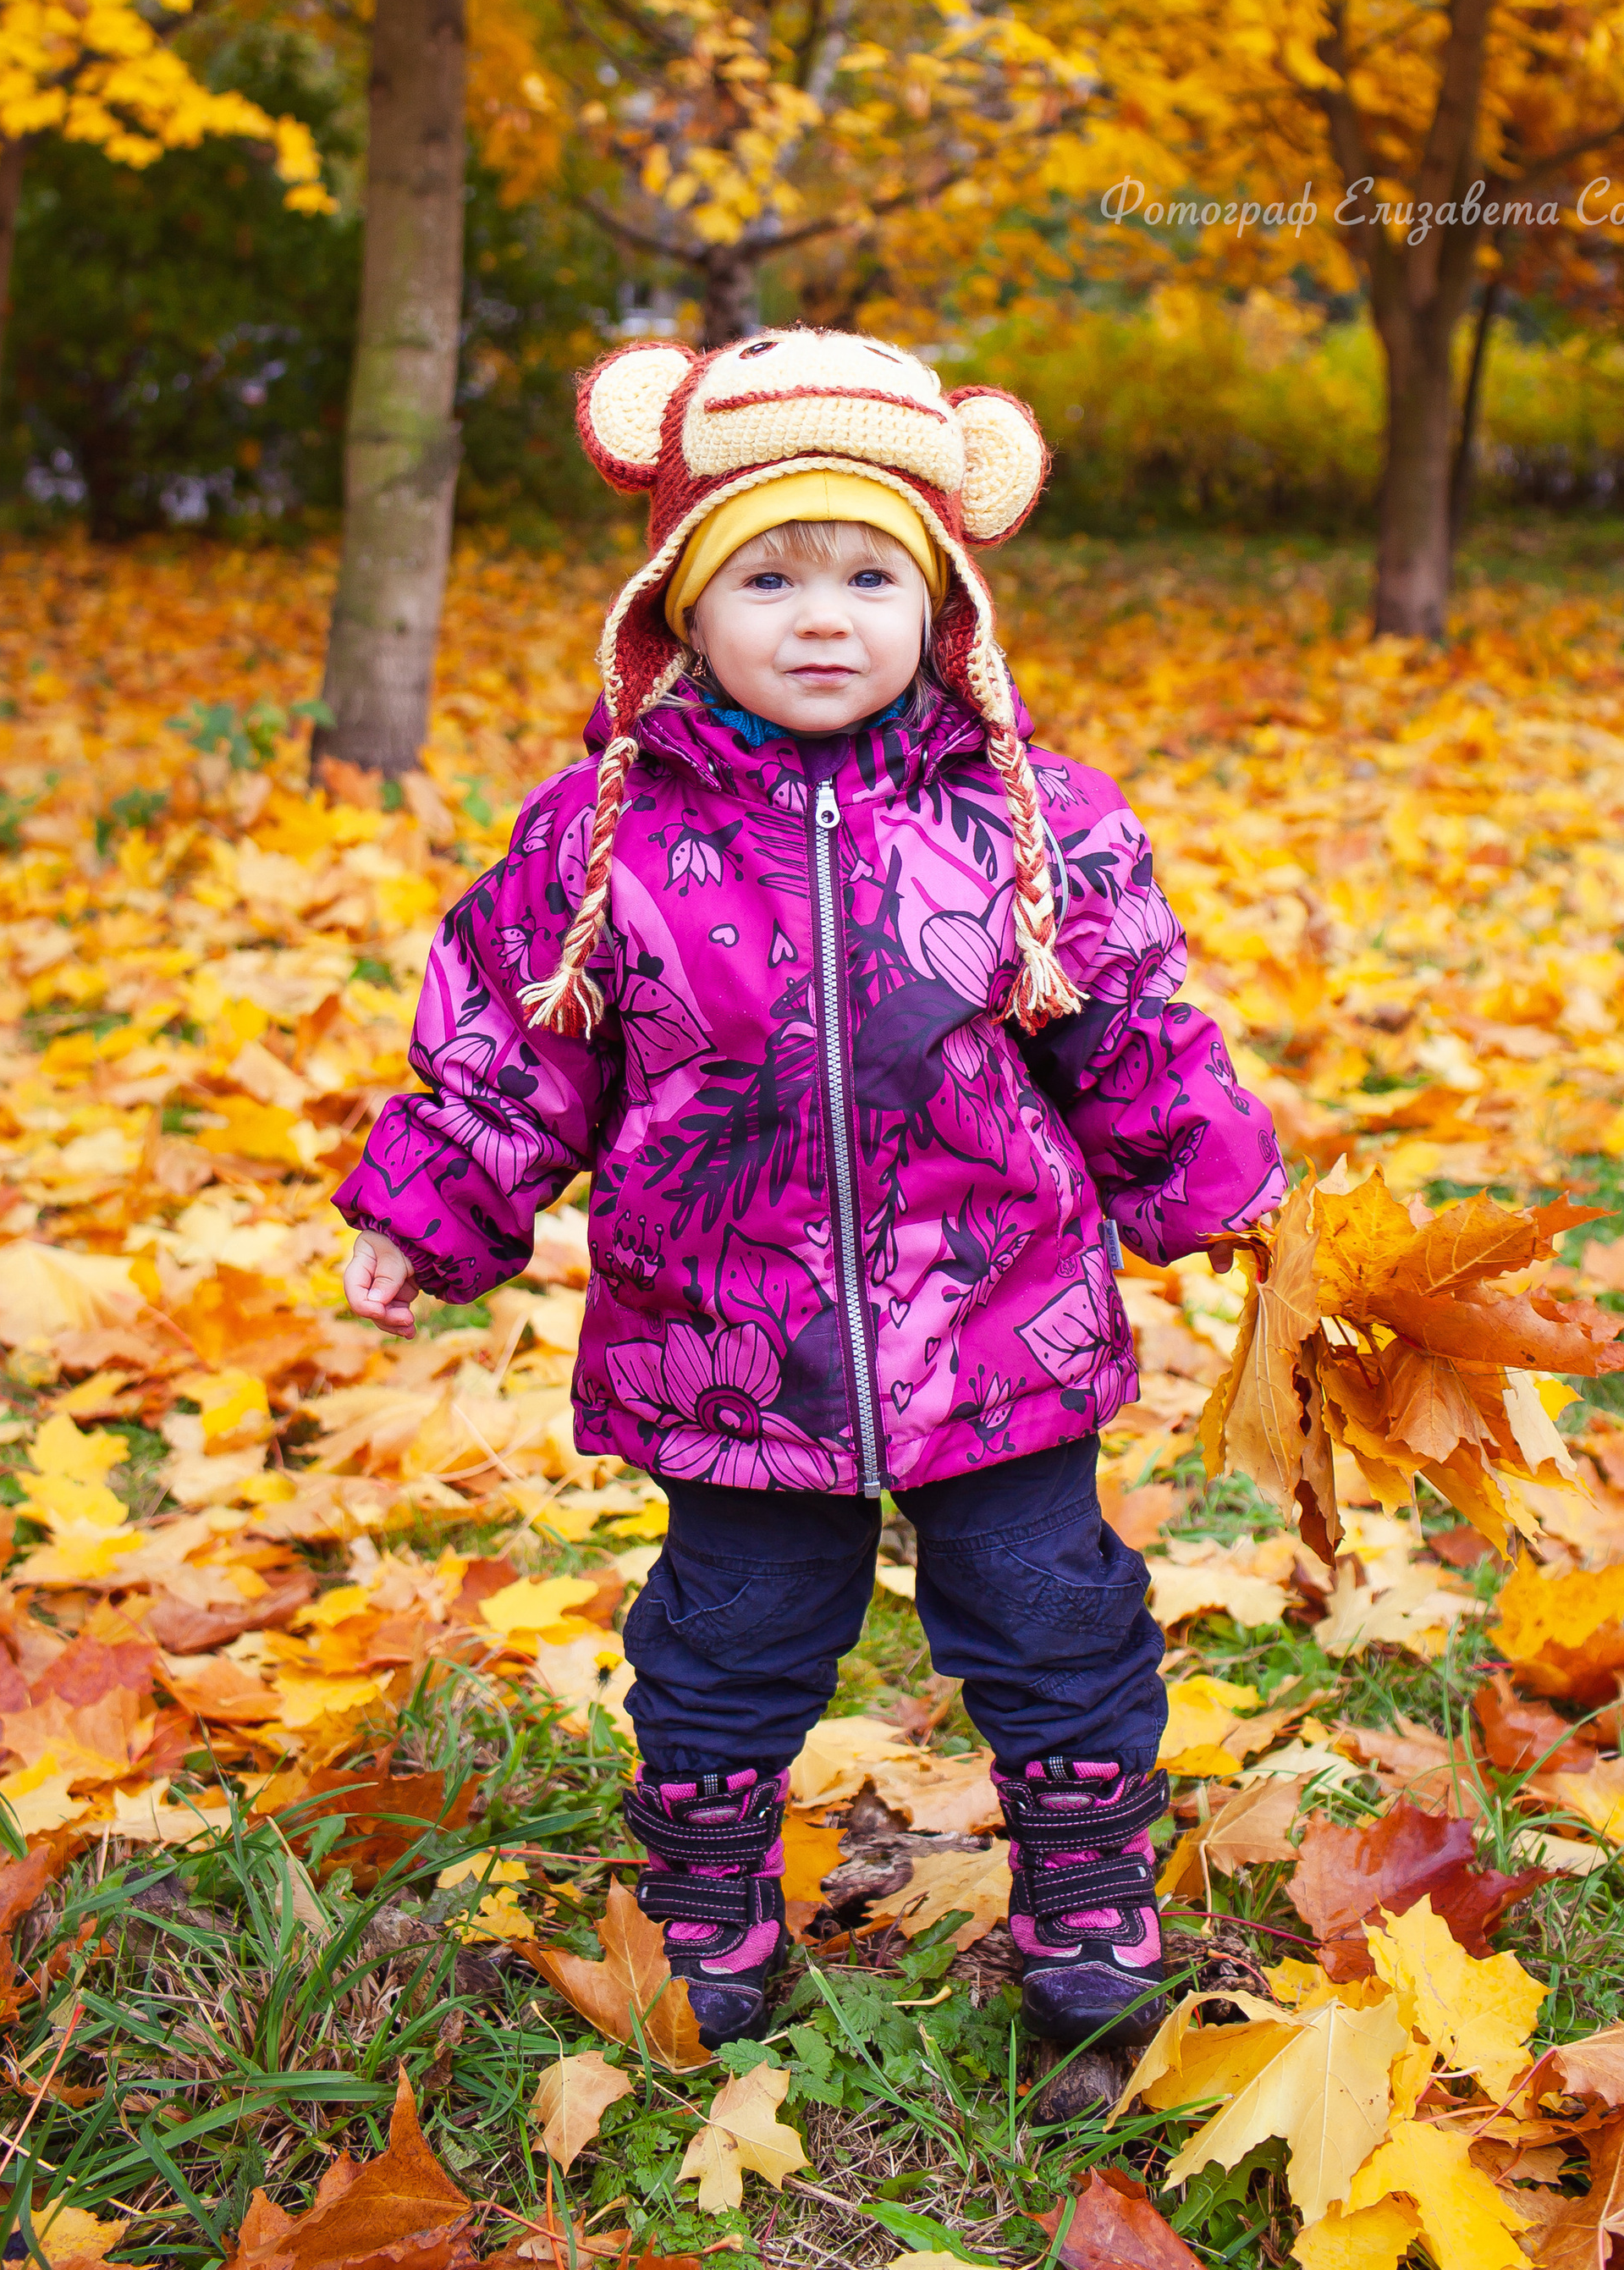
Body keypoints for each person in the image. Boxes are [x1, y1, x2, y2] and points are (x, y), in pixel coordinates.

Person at [336, 328, 1287, 2046]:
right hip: (724, 1340)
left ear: (944, 610)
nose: (823, 616)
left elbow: (1133, 1028)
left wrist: (1216, 1190)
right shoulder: (601, 839)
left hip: (997, 1322)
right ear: (679, 613)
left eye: (867, 573)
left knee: (1052, 1613)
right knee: (726, 1635)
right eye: (765, 577)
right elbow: (511, 1042)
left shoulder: (1032, 826)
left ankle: (1085, 1909)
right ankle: (711, 1922)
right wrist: (426, 1207)